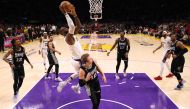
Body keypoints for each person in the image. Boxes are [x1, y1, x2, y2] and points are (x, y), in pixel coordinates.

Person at [57, 2, 83, 94]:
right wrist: (65, 13)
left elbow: (79, 26)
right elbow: (71, 26)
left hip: (77, 59)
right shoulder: (68, 38)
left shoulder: (72, 35)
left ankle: (65, 83)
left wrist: (75, 15)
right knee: (87, 73)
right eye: (64, 28)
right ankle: (76, 86)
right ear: (64, 32)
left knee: (79, 74)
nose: (65, 27)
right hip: (78, 60)